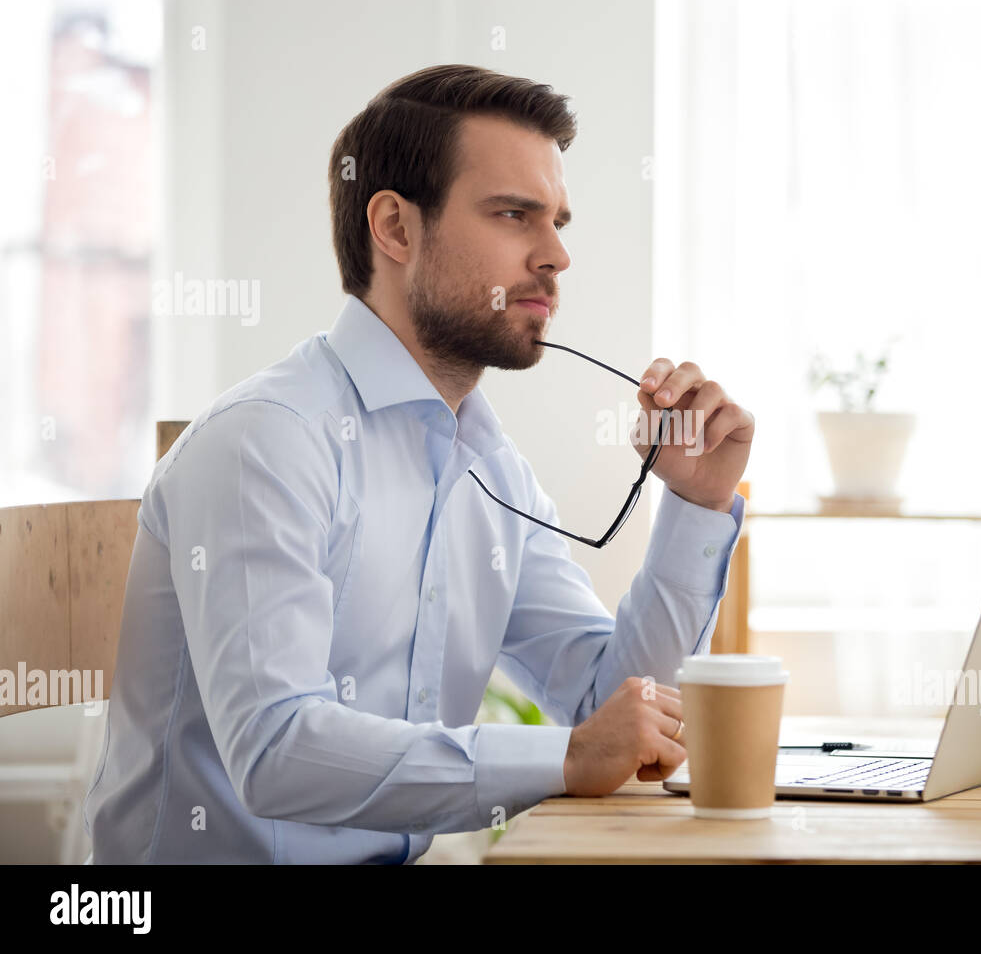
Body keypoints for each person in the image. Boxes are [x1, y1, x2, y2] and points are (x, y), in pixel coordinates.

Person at [83, 64, 754, 863]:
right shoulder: (265, 442)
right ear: (397, 229)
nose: (556, 257)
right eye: (515, 215)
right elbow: (275, 750)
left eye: (559, 223)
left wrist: (696, 505)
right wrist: (568, 757)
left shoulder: (489, 468)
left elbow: (605, 704)